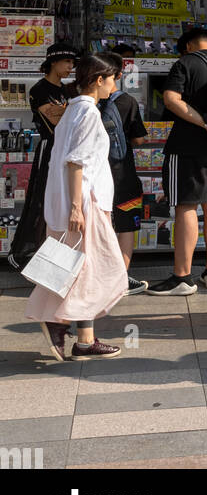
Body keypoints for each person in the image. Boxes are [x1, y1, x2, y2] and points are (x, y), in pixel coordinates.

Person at [27, 53, 127, 360]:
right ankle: (61, 323)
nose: (114, 84)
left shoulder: (72, 109)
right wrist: (76, 207)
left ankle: (82, 337)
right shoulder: (88, 113)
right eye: (112, 79)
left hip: (72, 201)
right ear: (99, 80)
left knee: (78, 268)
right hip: (87, 202)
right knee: (101, 269)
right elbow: (76, 162)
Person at [148, 27, 207, 295]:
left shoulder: (184, 63)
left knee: (186, 206)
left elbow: (171, 100)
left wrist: (203, 123)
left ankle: (182, 277)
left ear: (187, 47)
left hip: (187, 145)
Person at [7, 43, 77, 271]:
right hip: (49, 149)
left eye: (73, 63)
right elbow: (59, 120)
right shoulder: (39, 89)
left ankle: (55, 251)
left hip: (68, 149)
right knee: (42, 200)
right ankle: (25, 252)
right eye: (67, 62)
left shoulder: (69, 90)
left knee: (63, 201)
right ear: (53, 62)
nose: (70, 67)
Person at [101, 74, 149, 295]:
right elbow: (138, 139)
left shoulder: (83, 101)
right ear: (119, 76)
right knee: (125, 226)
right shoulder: (127, 101)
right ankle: (121, 279)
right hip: (122, 173)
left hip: (93, 175)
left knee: (98, 226)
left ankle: (97, 277)